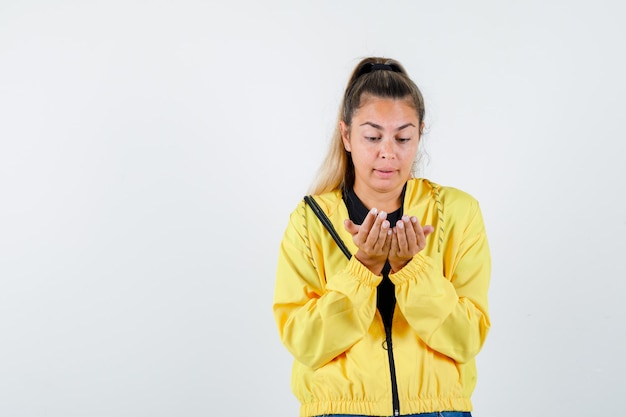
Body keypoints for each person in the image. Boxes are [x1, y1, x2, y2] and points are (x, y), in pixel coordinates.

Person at [273, 57, 491, 417]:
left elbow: (466, 339)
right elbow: (305, 342)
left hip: (439, 411)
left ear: (420, 133)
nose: (388, 152)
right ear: (346, 135)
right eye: (372, 136)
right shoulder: (309, 221)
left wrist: (412, 270)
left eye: (403, 137)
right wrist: (364, 268)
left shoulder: (457, 212)